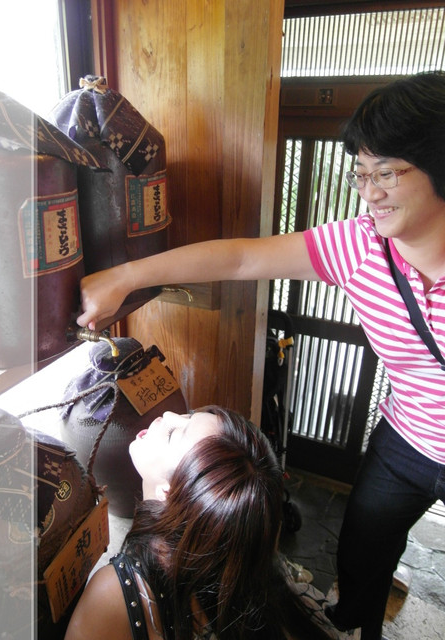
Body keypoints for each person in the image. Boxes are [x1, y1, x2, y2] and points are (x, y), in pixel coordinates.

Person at [76, 71, 445, 640]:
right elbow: (243, 258)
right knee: (363, 557)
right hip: (407, 438)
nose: (369, 193)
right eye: (361, 173)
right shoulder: (361, 246)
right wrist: (126, 276)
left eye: (388, 173)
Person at [64, 406, 339, 640]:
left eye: (173, 434)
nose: (167, 415)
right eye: (188, 414)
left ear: (170, 492)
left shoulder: (111, 596)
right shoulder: (242, 563)